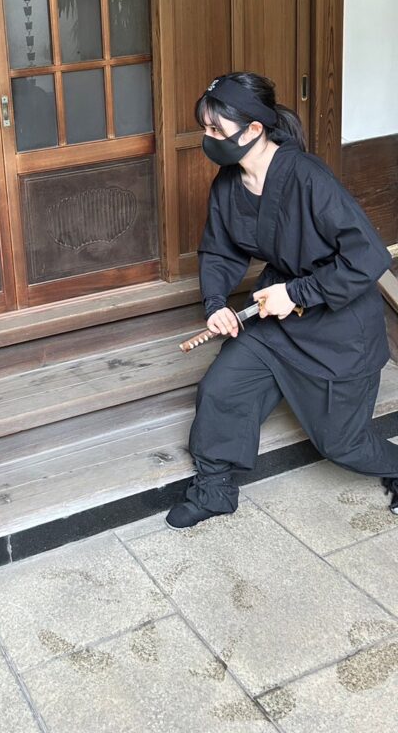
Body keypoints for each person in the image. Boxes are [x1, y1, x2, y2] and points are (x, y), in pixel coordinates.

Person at [165, 72, 397, 530]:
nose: (206, 139)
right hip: (276, 321)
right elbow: (219, 249)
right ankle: (214, 490)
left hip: (340, 328)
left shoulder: (308, 177)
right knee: (221, 390)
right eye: (204, 129)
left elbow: (368, 256)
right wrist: (216, 304)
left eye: (216, 130)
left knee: (341, 444)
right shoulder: (229, 184)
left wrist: (297, 293)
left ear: (253, 130)